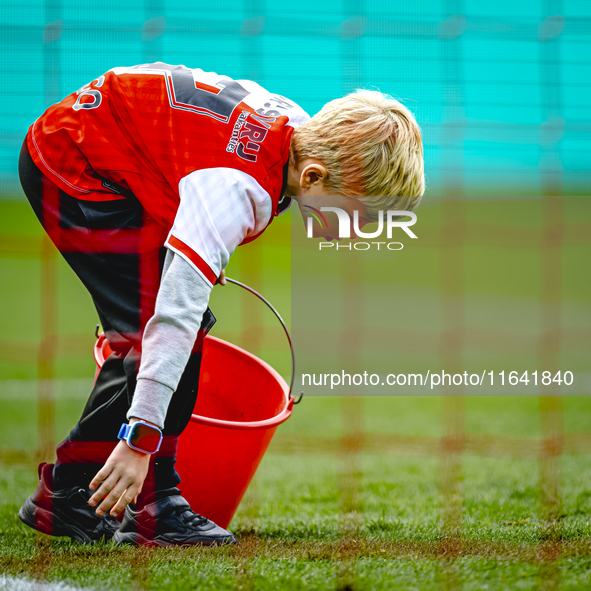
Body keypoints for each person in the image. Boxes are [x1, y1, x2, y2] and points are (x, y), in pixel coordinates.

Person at [17, 62, 425, 546]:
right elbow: (172, 320)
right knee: (163, 332)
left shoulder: (297, 131)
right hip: (74, 167)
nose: (357, 232)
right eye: (355, 215)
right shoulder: (235, 187)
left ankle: (67, 494)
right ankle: (152, 504)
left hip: (111, 149)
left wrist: (196, 249)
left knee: (159, 330)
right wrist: (139, 441)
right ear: (314, 176)